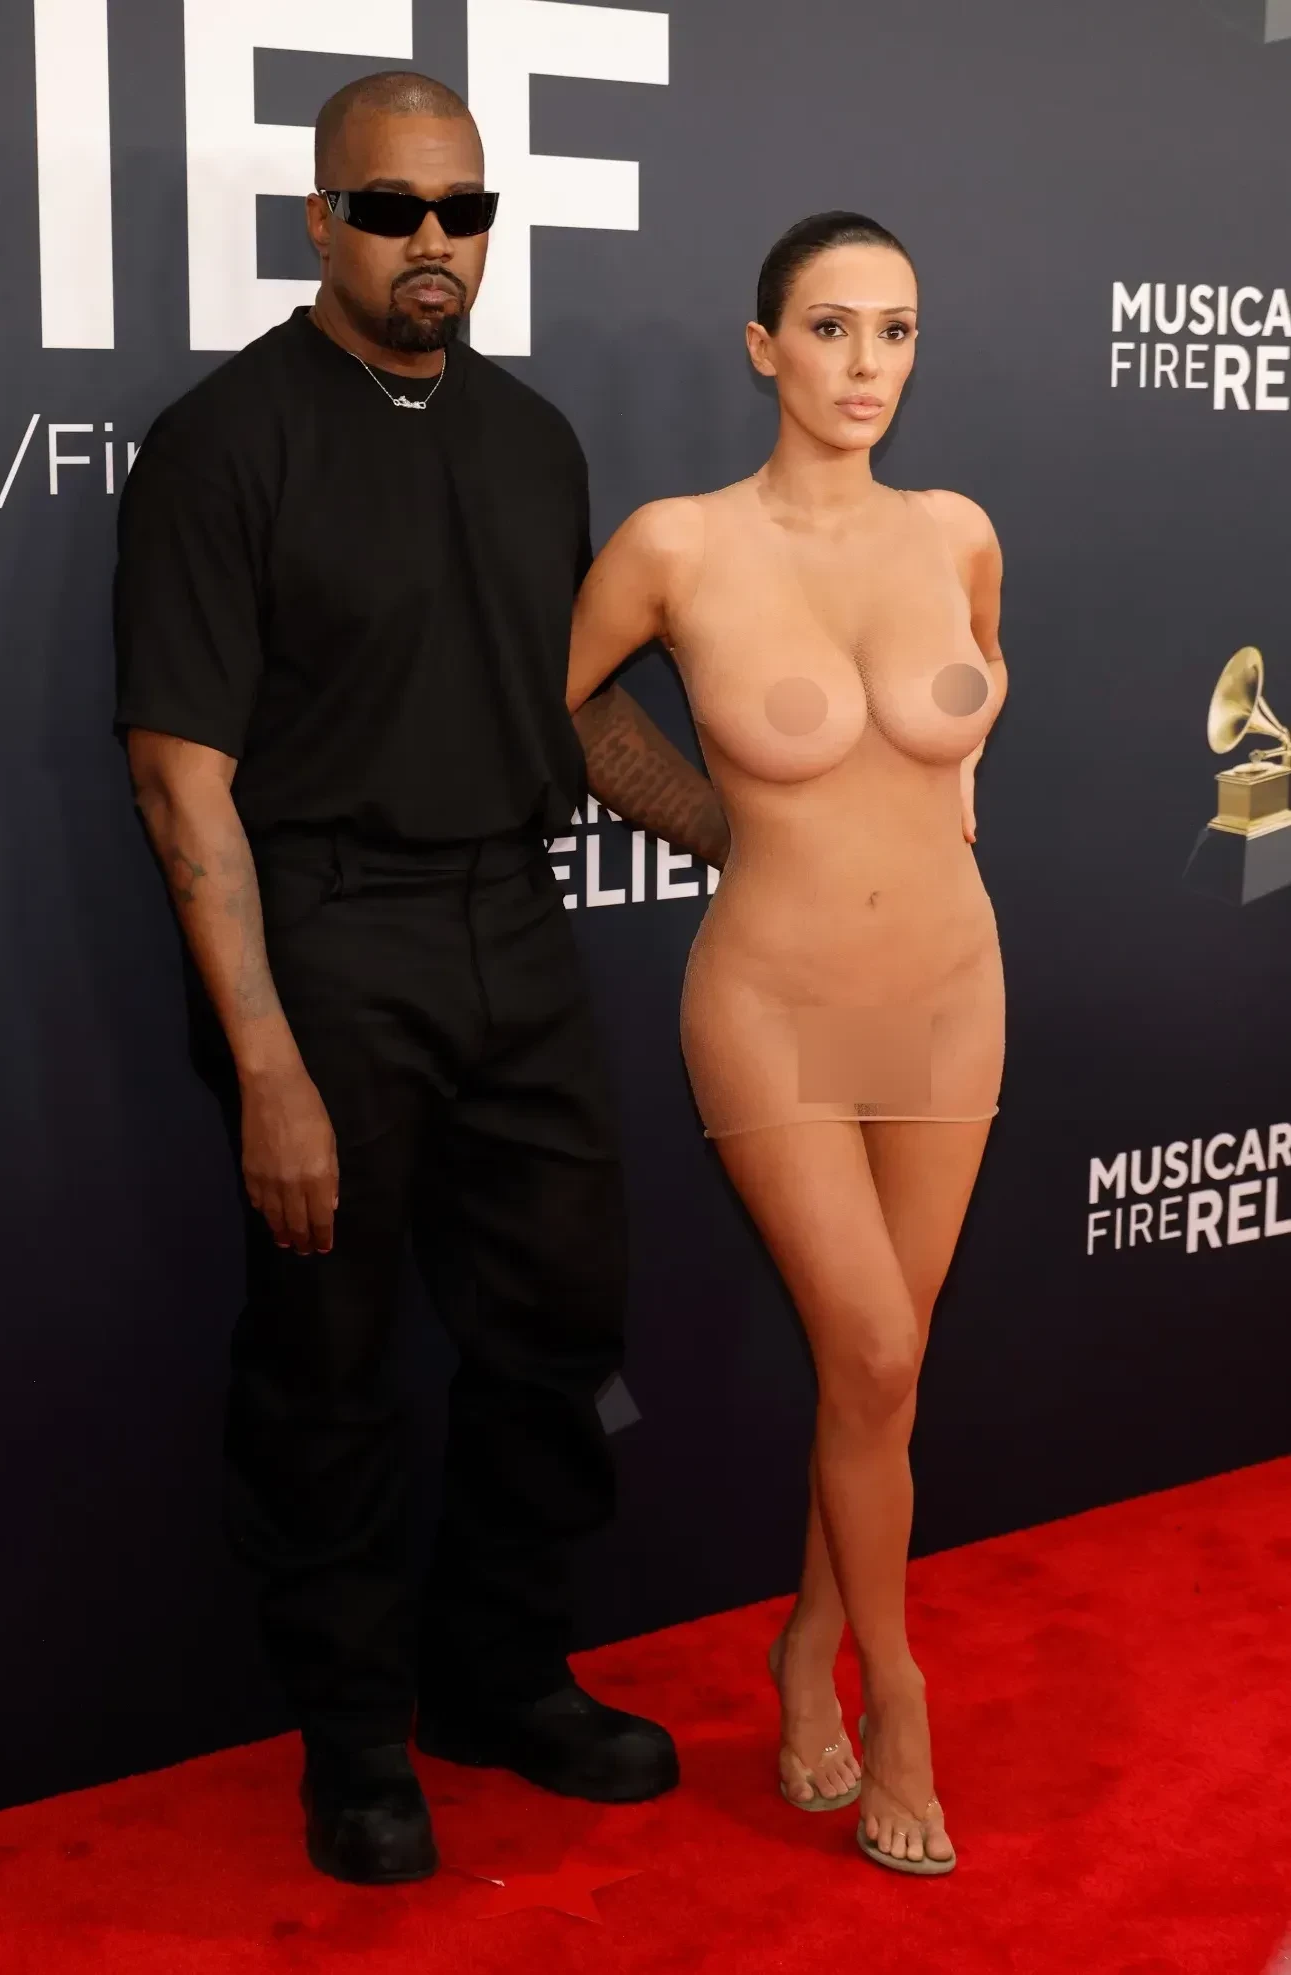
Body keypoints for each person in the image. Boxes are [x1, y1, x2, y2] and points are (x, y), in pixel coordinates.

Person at [112, 71, 690, 1886]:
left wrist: (762, 834)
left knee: (560, 1325)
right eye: (390, 209)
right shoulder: (225, 441)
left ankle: (498, 1675)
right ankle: (355, 1735)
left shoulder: (534, 443)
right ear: (321, 220)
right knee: (328, 1358)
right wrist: (265, 1058)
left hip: (515, 917)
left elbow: (580, 717)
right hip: (326, 933)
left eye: (463, 210)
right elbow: (179, 774)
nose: (431, 241)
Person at [567, 211, 1007, 1876]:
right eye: (830, 329)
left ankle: (805, 1652)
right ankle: (898, 1693)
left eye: (896, 330)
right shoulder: (679, 544)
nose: (866, 363)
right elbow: (561, 698)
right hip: (771, 999)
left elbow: (982, 667)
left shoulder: (957, 529)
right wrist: (704, 817)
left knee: (878, 1372)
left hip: (952, 987)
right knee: (876, 1351)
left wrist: (951, 777)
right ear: (764, 348)